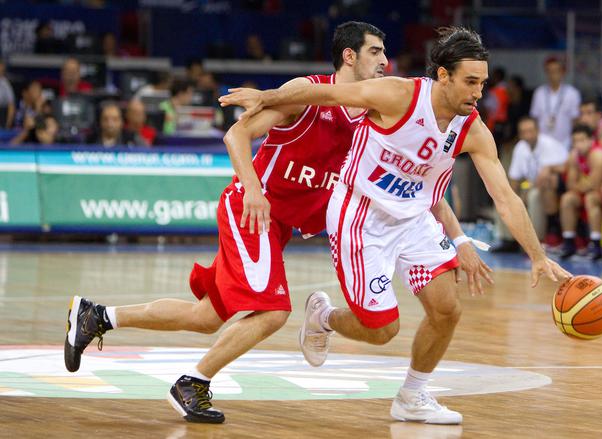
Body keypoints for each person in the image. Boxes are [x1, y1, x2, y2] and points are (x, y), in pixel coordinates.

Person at [63, 22, 490, 426]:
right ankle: (191, 383)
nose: (385, 61)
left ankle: (98, 316)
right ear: (348, 56)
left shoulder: (375, 113)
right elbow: (236, 135)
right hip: (253, 210)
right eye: (375, 52)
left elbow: (419, 189)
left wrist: (458, 237)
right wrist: (251, 188)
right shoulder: (307, 94)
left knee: (208, 316)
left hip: (281, 224)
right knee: (271, 312)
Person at [220, 26, 571, 424]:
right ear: (443, 75)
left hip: (414, 220)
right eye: (470, 82)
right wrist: (266, 96)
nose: (478, 92)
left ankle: (412, 395)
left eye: (483, 83)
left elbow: (505, 196)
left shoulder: (471, 128)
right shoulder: (399, 95)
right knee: (382, 329)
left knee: (447, 309)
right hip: (361, 214)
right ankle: (324, 318)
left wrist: (537, 256)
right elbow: (325, 93)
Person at [493, 116, 568, 252]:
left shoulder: (549, 144)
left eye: (530, 131)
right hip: (529, 185)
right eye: (524, 132)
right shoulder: (520, 148)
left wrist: (549, 168)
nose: (527, 135)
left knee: (534, 195)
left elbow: (564, 168)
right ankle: (508, 240)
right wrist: (510, 195)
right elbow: (515, 178)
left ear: (537, 130)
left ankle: (537, 241)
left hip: (551, 187)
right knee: (503, 196)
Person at [559, 125, 602, 260]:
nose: (579, 145)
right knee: (567, 198)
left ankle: (596, 245)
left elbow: (595, 184)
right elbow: (570, 185)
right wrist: (582, 185)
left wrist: (580, 184)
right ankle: (569, 243)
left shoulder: (597, 154)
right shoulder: (575, 155)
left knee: (591, 198)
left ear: (591, 140)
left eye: (582, 140)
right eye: (576, 141)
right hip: (591, 193)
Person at [530, 56, 581, 148]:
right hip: (542, 142)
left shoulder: (572, 93)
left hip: (565, 142)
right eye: (550, 71)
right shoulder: (539, 93)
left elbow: (575, 120)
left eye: (556, 71)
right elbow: (534, 118)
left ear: (562, 72)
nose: (553, 74)